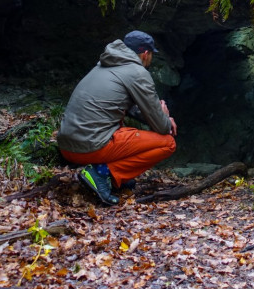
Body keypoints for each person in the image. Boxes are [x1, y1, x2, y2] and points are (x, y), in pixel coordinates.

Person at [57, 31, 177, 205]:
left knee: (122, 129)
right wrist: (165, 117)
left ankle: (115, 177)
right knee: (167, 143)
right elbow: (162, 127)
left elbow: (130, 109)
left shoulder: (102, 65)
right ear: (146, 54)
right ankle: (103, 174)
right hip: (90, 147)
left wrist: (158, 116)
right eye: (151, 55)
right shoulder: (137, 72)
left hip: (67, 146)